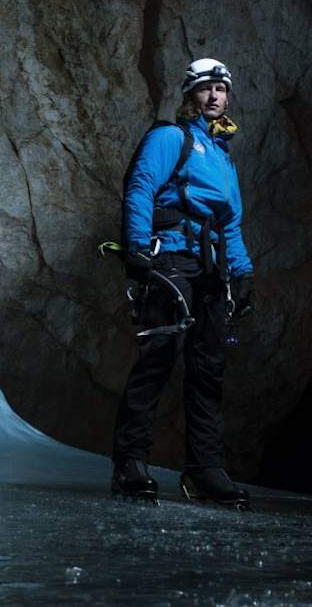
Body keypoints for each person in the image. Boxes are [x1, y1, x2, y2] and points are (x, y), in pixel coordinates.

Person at [110, 58, 255, 508]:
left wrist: (243, 272)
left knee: (208, 368)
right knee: (158, 355)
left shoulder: (223, 158)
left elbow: (229, 222)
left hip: (210, 267)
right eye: (205, 88)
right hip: (170, 256)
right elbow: (141, 186)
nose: (214, 95)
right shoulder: (171, 137)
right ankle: (130, 461)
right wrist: (137, 247)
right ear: (191, 94)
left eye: (221, 89)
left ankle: (205, 470)